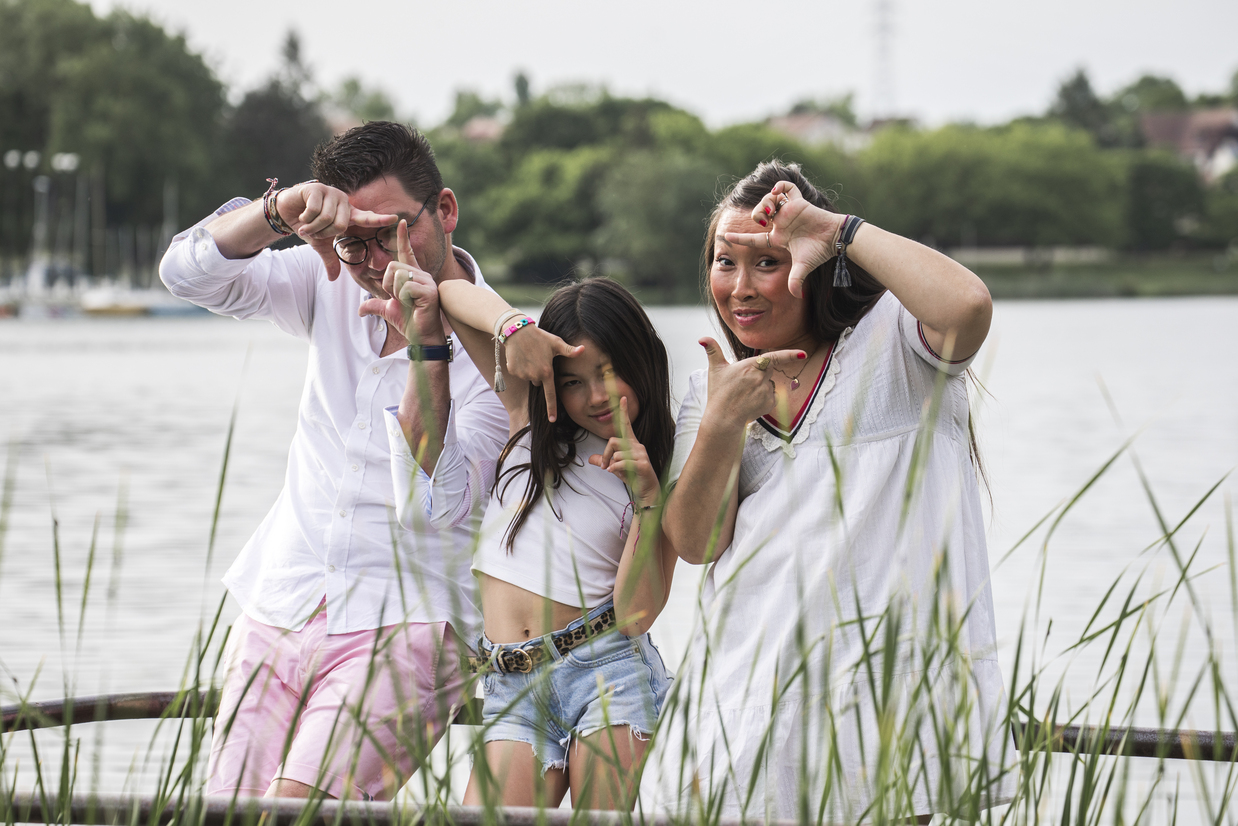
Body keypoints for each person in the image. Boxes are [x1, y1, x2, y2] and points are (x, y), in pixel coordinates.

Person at [158, 122, 509, 801]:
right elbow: (185, 273)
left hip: (410, 617)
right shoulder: (329, 278)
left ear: (444, 210)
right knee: (221, 810)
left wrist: (426, 353)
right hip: (283, 596)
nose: (376, 259)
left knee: (300, 812)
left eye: (392, 232)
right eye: (356, 240)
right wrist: (276, 213)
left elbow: (438, 503)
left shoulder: (497, 338)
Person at [653, 161, 1014, 821]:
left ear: (818, 263)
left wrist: (836, 228)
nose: (738, 288)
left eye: (766, 262)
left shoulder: (897, 346)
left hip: (879, 705)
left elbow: (968, 306)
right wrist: (722, 423)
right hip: (745, 706)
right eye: (723, 262)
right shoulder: (715, 388)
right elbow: (697, 544)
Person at [383, 264, 676, 810]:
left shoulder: (662, 462)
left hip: (606, 669)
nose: (595, 396)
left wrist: (647, 497)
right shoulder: (527, 419)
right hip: (511, 679)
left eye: (609, 373)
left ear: (641, 361)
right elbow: (451, 293)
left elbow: (637, 614)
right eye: (572, 381)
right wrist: (517, 329)